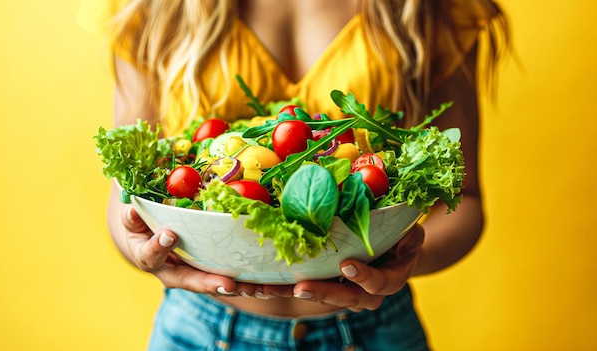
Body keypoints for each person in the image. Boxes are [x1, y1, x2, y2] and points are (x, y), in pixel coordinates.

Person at [78, 0, 510, 349]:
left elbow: (464, 200)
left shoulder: (428, 9)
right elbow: (127, 191)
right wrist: (141, 248)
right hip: (200, 330)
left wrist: (404, 263)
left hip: (373, 331)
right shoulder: (153, 10)